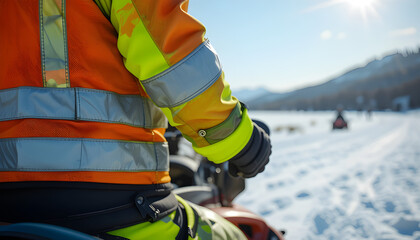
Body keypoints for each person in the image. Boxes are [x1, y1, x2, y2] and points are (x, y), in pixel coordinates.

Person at [0, 0, 271, 239]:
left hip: (9, 210)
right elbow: (168, 52)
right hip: (118, 207)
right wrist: (239, 139)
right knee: (236, 233)